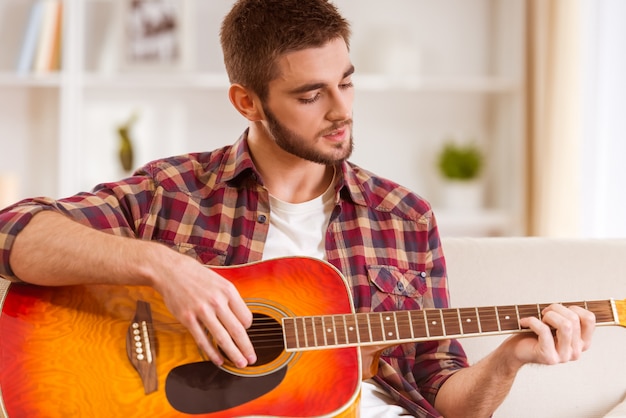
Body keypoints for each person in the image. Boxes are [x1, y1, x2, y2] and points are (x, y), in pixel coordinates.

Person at [0, 1, 595, 417]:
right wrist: (165, 268)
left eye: (347, 81)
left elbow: (446, 397)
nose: (341, 111)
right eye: (311, 95)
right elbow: (14, 232)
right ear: (247, 102)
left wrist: (509, 361)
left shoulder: (404, 218)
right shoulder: (173, 193)